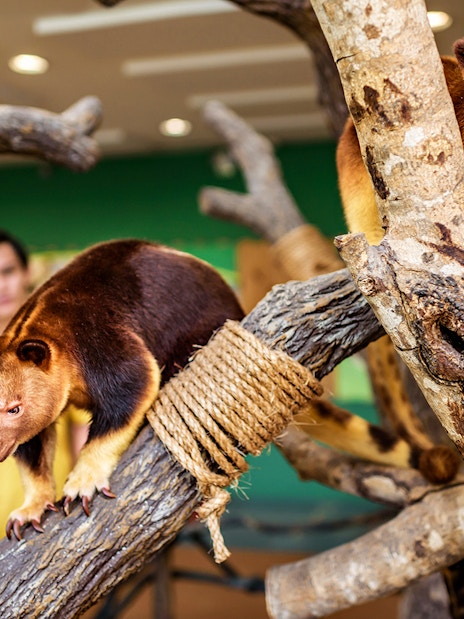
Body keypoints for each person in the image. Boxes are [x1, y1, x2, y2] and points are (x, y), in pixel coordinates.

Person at [0, 230, 89, 531]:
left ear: (27, 273)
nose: (1, 285)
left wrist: (78, 516)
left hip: (45, 530)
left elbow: (84, 429)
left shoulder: (56, 346)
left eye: (8, 271)